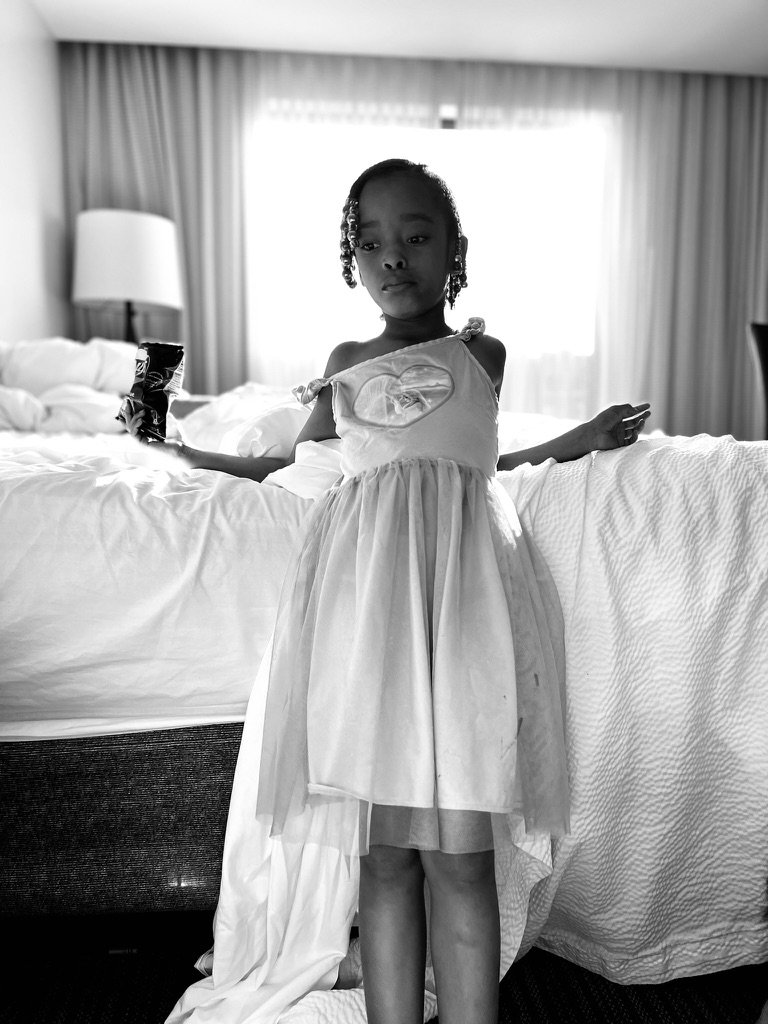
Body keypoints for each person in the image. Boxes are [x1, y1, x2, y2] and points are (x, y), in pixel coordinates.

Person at [159, 157, 650, 1024]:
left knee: (460, 857)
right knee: (383, 857)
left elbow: (481, 459)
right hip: (371, 613)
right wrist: (195, 456)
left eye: (417, 237)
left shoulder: (483, 353)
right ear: (352, 259)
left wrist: (580, 437)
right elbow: (297, 464)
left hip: (461, 604)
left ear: (454, 250)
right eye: (372, 242)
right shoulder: (344, 363)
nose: (394, 257)